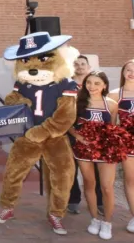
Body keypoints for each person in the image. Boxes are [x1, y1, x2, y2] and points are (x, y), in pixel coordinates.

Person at [68, 71, 118, 240]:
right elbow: (68, 124)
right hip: (84, 149)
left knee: (106, 187)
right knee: (89, 184)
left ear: (104, 85)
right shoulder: (77, 102)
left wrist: (107, 141)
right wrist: (78, 137)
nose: (92, 86)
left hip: (106, 150)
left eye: (97, 83)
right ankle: (95, 219)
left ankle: (107, 222)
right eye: (89, 82)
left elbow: (112, 126)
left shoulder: (111, 104)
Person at [67, 55, 104, 215]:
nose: (80, 66)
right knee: (72, 167)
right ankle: (73, 199)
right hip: (72, 130)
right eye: (77, 64)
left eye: (83, 64)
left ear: (88, 67)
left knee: (96, 167)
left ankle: (100, 201)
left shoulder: (94, 85)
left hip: (93, 133)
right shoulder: (66, 85)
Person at [109, 59, 134, 234]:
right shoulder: (115, 95)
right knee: (130, 180)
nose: (132, 73)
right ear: (123, 72)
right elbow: (111, 125)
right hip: (128, 143)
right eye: (128, 70)